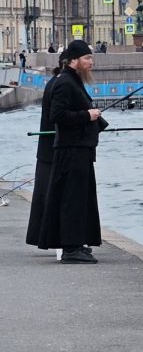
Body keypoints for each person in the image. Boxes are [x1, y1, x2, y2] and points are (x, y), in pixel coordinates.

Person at [38, 40, 107, 264]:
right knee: (71, 199)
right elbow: (57, 115)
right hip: (71, 150)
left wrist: (93, 117)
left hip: (80, 149)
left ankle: (77, 242)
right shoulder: (65, 83)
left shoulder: (73, 81)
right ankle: (70, 249)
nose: (91, 62)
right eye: (87, 58)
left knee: (80, 199)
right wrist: (87, 116)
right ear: (74, 60)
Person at [26, 51, 67, 247]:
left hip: (47, 148)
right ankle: (54, 240)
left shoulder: (53, 83)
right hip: (54, 149)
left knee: (44, 195)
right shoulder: (60, 85)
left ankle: (45, 237)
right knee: (50, 196)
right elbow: (59, 116)